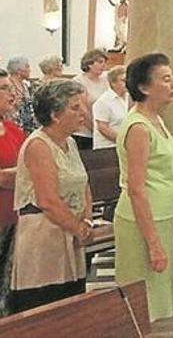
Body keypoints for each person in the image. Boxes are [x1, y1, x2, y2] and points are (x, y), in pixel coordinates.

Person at [10, 80, 92, 312]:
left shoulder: (70, 142)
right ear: (55, 114)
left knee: (71, 307)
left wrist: (86, 220)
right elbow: (47, 201)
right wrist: (79, 229)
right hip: (44, 236)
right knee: (46, 308)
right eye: (75, 108)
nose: (83, 113)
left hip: (71, 231)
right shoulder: (39, 145)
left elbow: (84, 184)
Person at [113, 54, 173, 322]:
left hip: (161, 216)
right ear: (143, 87)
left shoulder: (156, 119)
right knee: (142, 300)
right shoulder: (139, 126)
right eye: (165, 79)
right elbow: (136, 188)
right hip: (141, 221)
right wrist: (153, 243)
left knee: (158, 297)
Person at [0, 71, 26, 316]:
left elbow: (30, 170)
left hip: (14, 215)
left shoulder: (14, 129)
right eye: (5, 88)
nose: (13, 93)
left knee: (7, 284)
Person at [72, 49, 109, 150]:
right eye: (100, 62)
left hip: (103, 131)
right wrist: (95, 129)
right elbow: (82, 108)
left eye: (105, 62)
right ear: (89, 64)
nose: (104, 65)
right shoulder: (79, 81)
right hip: (84, 133)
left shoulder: (105, 80)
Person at [92, 65, 129, 150]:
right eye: (123, 80)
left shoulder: (129, 98)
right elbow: (103, 128)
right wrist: (123, 141)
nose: (127, 83)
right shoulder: (103, 102)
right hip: (107, 148)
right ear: (113, 83)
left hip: (124, 147)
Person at [7, 57, 37, 135]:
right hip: (14, 125)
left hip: (28, 126)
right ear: (18, 70)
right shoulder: (8, 85)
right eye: (27, 67)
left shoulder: (25, 86)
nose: (30, 70)